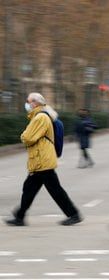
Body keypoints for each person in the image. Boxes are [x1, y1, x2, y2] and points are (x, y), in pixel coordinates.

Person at [4, 92, 82, 226]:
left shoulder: (40, 117)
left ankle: (73, 214)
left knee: (54, 189)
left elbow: (28, 137)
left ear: (35, 103)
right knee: (29, 188)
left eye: (28, 101)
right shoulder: (39, 116)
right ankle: (20, 216)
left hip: (42, 160)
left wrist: (23, 135)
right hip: (40, 160)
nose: (27, 104)